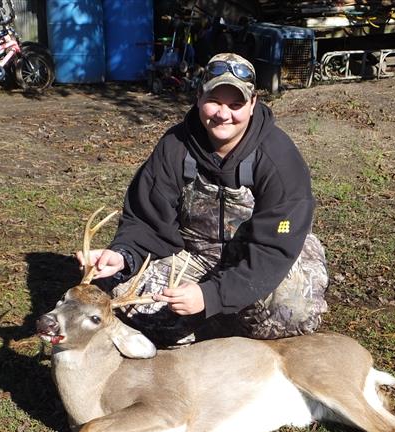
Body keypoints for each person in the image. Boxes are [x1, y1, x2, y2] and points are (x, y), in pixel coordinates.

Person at [84, 53, 328, 346]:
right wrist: (124, 255)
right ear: (198, 97)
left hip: (265, 257)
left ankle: (221, 321)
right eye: (214, 101)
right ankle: (215, 325)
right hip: (196, 255)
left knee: (291, 312)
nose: (223, 114)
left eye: (236, 104)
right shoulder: (175, 147)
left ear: (253, 103)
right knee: (120, 292)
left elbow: (273, 249)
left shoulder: (278, 157)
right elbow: (147, 220)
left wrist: (211, 295)